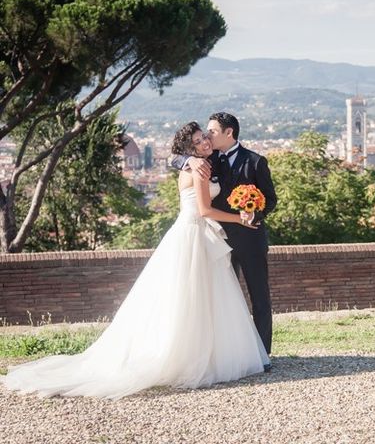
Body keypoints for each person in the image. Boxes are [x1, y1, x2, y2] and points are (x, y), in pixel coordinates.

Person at [0, 122, 269, 399]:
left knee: (200, 297)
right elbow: (203, 210)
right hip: (194, 234)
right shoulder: (196, 167)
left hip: (199, 235)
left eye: (205, 137)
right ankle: (189, 356)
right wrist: (240, 218)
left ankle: (207, 353)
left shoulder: (204, 163)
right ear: (189, 148)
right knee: (190, 297)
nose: (204, 142)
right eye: (199, 140)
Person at [171, 112, 277, 359]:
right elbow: (174, 157)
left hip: (251, 239)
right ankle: (229, 353)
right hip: (217, 240)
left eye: (212, 132)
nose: (207, 136)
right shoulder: (205, 159)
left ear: (229, 133)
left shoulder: (256, 161)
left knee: (259, 297)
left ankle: (262, 355)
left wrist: (255, 215)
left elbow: (270, 199)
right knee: (224, 300)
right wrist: (187, 160)